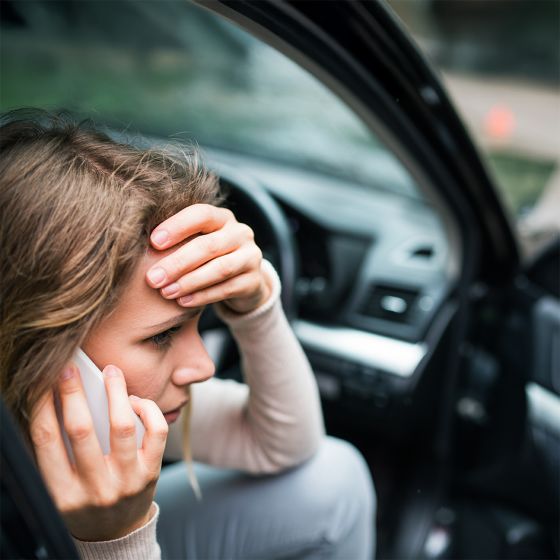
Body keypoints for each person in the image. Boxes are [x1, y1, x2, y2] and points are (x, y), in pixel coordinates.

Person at [0, 110, 375, 559]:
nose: (204, 366)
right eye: (161, 336)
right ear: (38, 347)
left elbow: (281, 445)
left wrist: (256, 304)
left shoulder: (104, 409)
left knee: (333, 477)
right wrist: (119, 543)